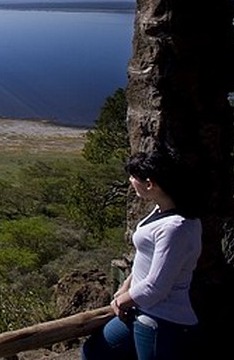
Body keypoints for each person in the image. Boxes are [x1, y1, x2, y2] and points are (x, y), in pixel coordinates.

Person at [81, 150, 202, 360]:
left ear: (150, 184)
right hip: (142, 310)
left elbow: (156, 287)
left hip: (162, 319)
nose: (130, 181)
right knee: (94, 351)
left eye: (134, 177)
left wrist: (120, 302)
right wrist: (126, 286)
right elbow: (146, 259)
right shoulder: (161, 212)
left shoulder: (175, 228)